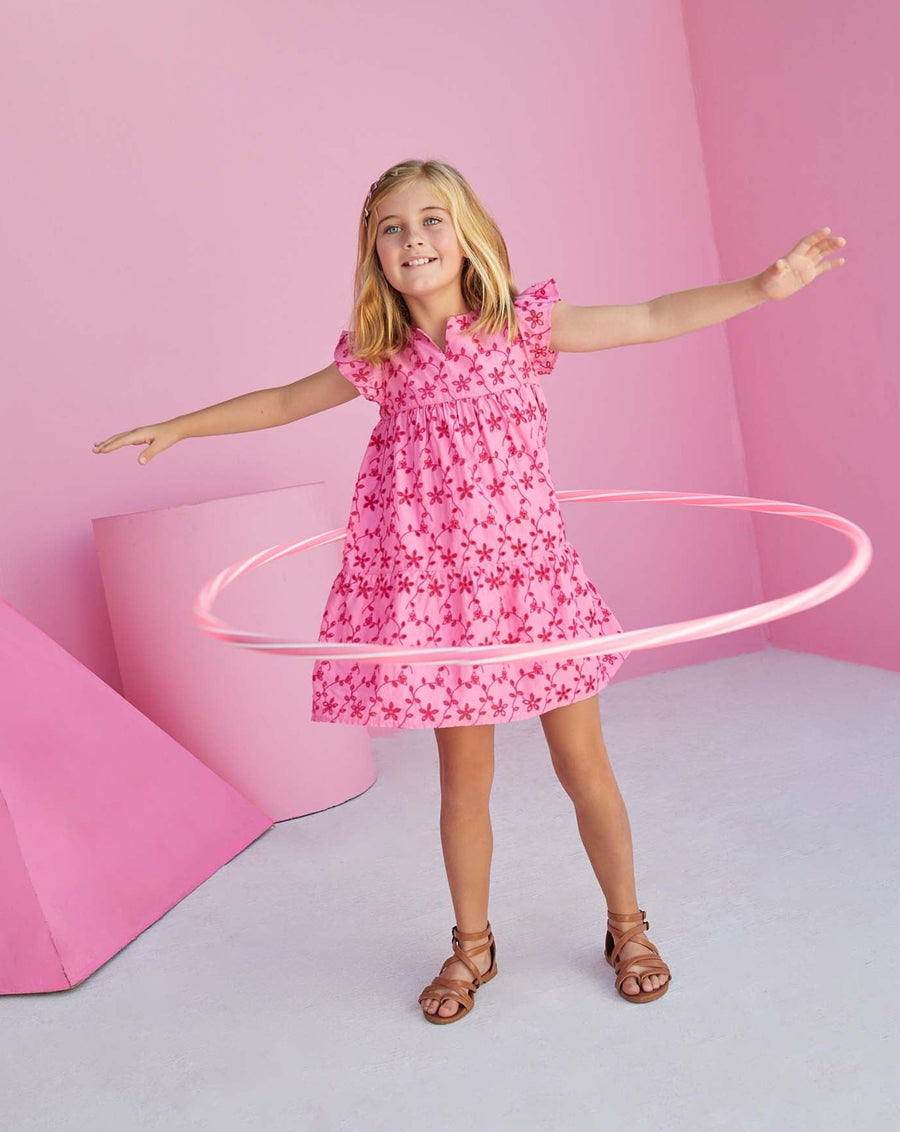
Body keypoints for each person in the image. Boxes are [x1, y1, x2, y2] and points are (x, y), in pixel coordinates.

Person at [92, 158, 846, 1025]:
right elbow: (282, 403)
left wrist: (763, 285)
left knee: (585, 766)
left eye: (430, 219)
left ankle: (628, 925)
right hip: (446, 607)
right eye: (391, 227)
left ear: (467, 233)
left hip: (534, 587)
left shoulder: (520, 327)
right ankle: (472, 946)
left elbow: (648, 316)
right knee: (463, 783)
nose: (413, 238)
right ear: (374, 254)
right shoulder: (380, 359)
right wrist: (179, 426)